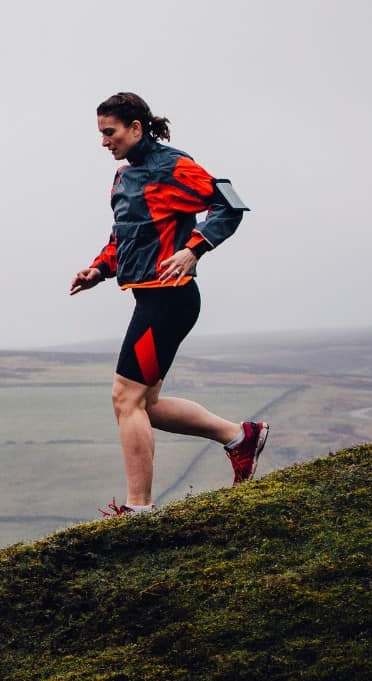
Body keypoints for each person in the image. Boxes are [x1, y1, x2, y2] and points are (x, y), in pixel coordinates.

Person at [69, 92, 267, 517]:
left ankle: (138, 509)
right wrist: (97, 271)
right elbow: (124, 238)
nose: (105, 141)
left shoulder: (173, 166)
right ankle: (239, 436)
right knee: (147, 406)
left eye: (110, 132)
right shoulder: (124, 178)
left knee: (126, 399)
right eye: (101, 134)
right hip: (150, 296)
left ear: (135, 128)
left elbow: (230, 205)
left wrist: (195, 249)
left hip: (169, 298)